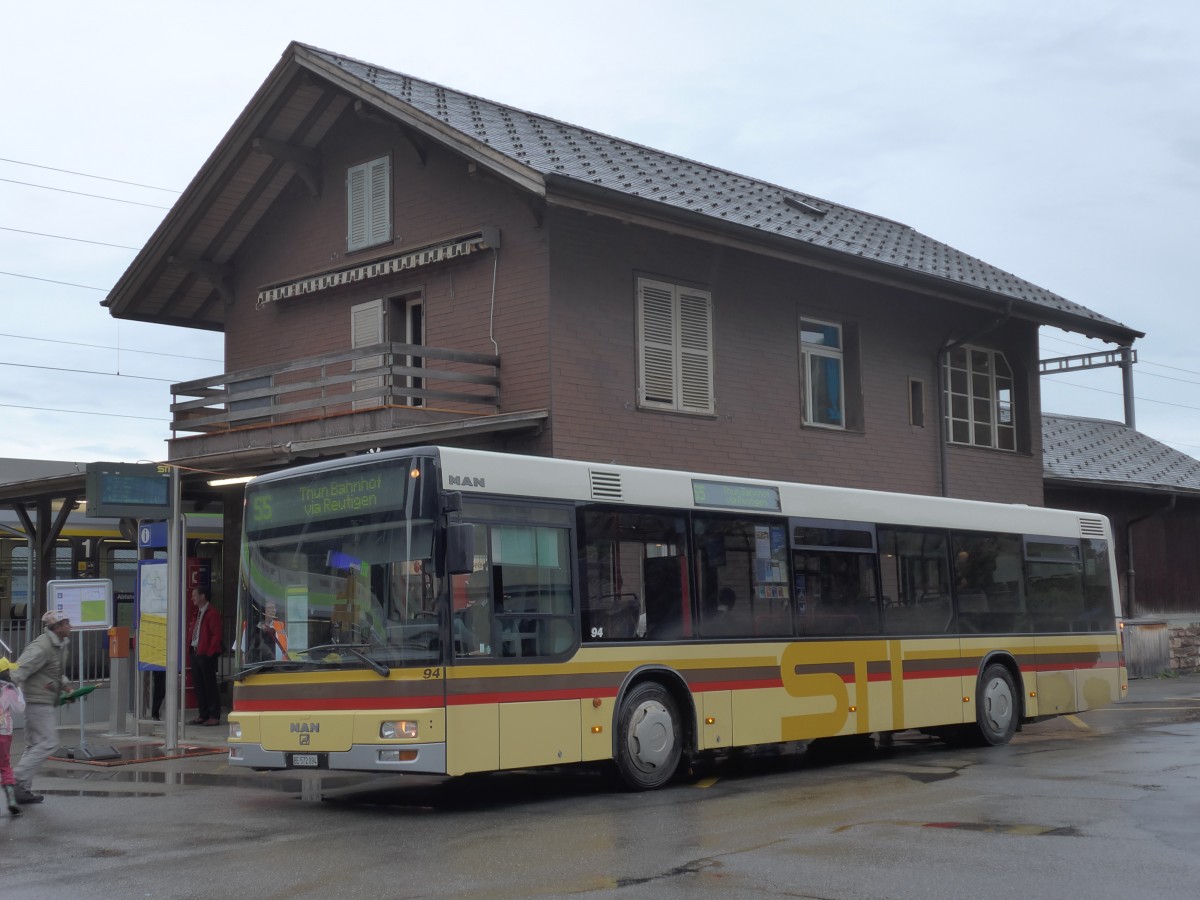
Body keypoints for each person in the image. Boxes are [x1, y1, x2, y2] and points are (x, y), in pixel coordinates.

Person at [10, 609, 74, 804]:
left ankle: (20, 789)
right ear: (57, 627)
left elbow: (51, 669)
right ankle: (14, 780)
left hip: (43, 697)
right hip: (38, 700)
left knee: (34, 745)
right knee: (48, 743)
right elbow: (20, 668)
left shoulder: (57, 644)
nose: (70, 626)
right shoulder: (41, 646)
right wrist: (7, 692)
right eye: (66, 622)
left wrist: (64, 684)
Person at [187, 587, 223, 726]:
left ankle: (214, 714)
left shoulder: (212, 613)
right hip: (196, 652)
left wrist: (210, 652)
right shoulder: (197, 613)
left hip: (205, 653)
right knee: (198, 685)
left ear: (203, 596)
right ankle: (203, 713)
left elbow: (216, 634)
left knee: (209, 685)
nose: (192, 598)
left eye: (195, 595)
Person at [0, 659, 26, 814]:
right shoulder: (9, 690)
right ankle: (11, 800)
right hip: (3, 734)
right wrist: (20, 694)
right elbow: (19, 709)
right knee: (5, 766)